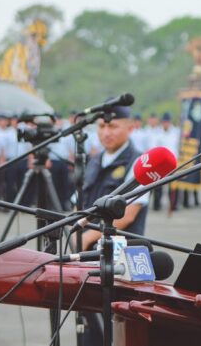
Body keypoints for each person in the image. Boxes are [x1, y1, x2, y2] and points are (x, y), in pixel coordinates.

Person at [74, 104, 149, 346]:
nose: (106, 132)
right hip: (90, 260)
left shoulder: (139, 165)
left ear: (130, 127)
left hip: (122, 263)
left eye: (113, 126)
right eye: (102, 126)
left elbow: (127, 215)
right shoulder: (93, 161)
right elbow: (78, 206)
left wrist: (84, 238)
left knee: (117, 330)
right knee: (88, 328)